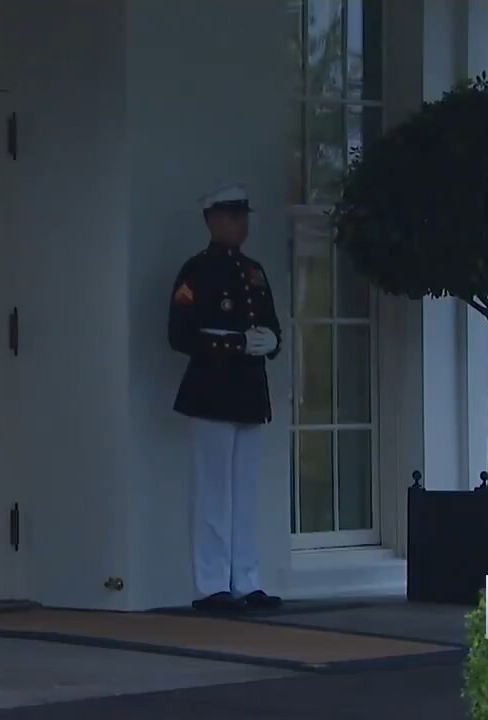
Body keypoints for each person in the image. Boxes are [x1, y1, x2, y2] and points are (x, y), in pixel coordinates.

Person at [167, 183, 283, 613]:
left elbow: (271, 326)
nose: (241, 223)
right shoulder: (196, 272)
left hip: (248, 391)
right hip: (211, 390)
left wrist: (270, 341)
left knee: (245, 493)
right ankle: (212, 583)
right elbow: (180, 334)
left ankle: (246, 578)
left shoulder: (254, 272)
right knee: (213, 492)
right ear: (212, 219)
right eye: (233, 215)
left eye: (243, 215)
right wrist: (234, 345)